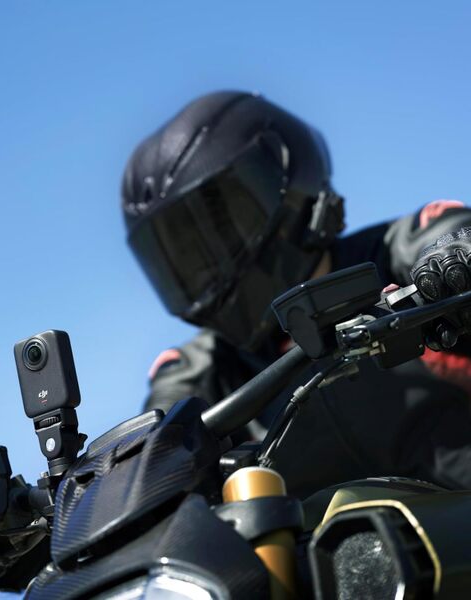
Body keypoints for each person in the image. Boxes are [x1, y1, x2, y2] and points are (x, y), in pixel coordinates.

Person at [122, 90, 471, 497]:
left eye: (220, 230)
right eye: (186, 257)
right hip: (324, 538)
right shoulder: (203, 365)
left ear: (287, 187)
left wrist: (453, 259)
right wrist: (139, 460)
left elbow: (444, 235)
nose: (208, 267)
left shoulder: (392, 250)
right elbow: (156, 436)